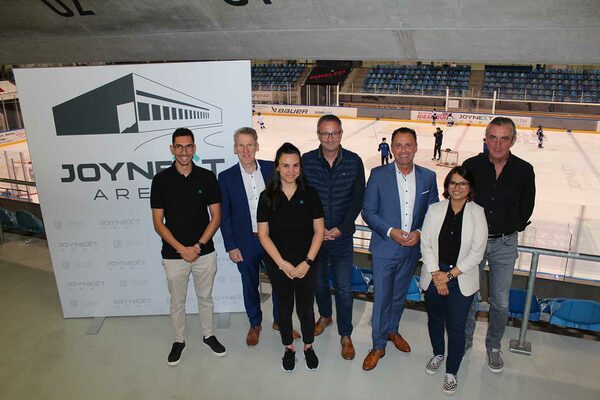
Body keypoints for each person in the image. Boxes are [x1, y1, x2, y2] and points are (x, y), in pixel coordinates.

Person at [361, 127, 439, 371]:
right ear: (392, 148)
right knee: (382, 297)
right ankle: (378, 344)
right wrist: (390, 231)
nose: (403, 150)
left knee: (399, 296)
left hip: (411, 250)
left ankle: (392, 330)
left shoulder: (428, 177)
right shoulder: (378, 174)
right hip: (385, 248)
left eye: (408, 145)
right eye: (398, 145)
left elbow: (433, 212)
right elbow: (368, 212)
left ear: (416, 147)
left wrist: (418, 234)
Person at [463, 117, 535, 373]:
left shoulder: (524, 170)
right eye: (493, 137)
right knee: (469, 296)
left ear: (513, 140)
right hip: (474, 243)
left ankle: (493, 346)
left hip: (505, 243)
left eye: (504, 138)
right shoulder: (471, 165)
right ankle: (465, 339)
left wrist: (510, 225)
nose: (498, 143)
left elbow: (527, 205)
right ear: (485, 138)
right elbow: (459, 197)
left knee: (501, 301)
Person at [150, 127, 226, 367]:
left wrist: (198, 246)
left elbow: (216, 217)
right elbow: (157, 223)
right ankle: (179, 341)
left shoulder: (207, 177)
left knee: (205, 297)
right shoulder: (160, 180)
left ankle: (209, 335)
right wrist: (182, 249)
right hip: (173, 255)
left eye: (189, 146)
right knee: (177, 302)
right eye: (179, 147)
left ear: (194, 148)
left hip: (204, 252)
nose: (184, 152)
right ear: (172, 149)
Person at [218, 127, 300, 347]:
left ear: (257, 146)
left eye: (250, 145)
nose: (246, 150)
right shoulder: (225, 178)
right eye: (241, 145)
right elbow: (224, 216)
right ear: (235, 148)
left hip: (273, 240)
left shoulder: (271, 170)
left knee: (280, 283)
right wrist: (231, 245)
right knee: (250, 284)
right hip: (245, 243)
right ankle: (255, 323)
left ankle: (280, 322)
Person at [302, 114, 365, 361]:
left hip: (342, 237)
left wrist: (343, 227)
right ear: (318, 134)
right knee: (317, 284)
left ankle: (346, 334)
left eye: (335, 133)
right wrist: (315, 227)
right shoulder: (306, 161)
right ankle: (325, 316)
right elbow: (302, 197)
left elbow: (358, 198)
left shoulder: (353, 161)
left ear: (341, 133)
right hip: (314, 237)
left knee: (344, 288)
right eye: (325, 133)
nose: (330, 138)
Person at [257, 142, 325, 372]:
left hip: (307, 263)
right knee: (284, 309)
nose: (291, 170)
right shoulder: (266, 197)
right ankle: (288, 348)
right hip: (279, 265)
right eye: (285, 165)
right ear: (277, 167)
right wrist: (281, 263)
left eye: (295, 165)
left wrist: (307, 262)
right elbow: (264, 235)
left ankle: (308, 346)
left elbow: (319, 231)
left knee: (306, 308)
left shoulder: (310, 194)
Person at [420, 166, 487, 395]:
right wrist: (436, 275)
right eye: (453, 183)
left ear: (470, 188)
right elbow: (426, 244)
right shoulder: (435, 209)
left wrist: (448, 276)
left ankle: (452, 371)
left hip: (461, 278)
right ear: (447, 186)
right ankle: (438, 353)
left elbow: (477, 253)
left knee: (456, 327)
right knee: (435, 320)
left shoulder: (477, 213)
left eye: (462, 184)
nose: (457, 188)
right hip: (433, 274)